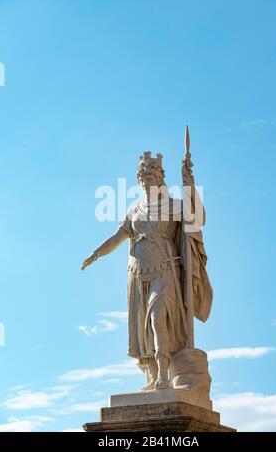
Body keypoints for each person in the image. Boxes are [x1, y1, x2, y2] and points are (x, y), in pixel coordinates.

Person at [81, 151, 212, 390]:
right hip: (137, 273)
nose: (146, 181)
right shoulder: (134, 210)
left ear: (161, 176)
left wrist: (190, 184)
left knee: (158, 318)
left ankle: (164, 375)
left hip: (165, 270)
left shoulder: (175, 205)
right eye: (143, 178)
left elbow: (198, 218)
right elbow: (118, 237)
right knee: (143, 329)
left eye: (151, 176)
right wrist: (96, 253)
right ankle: (151, 376)